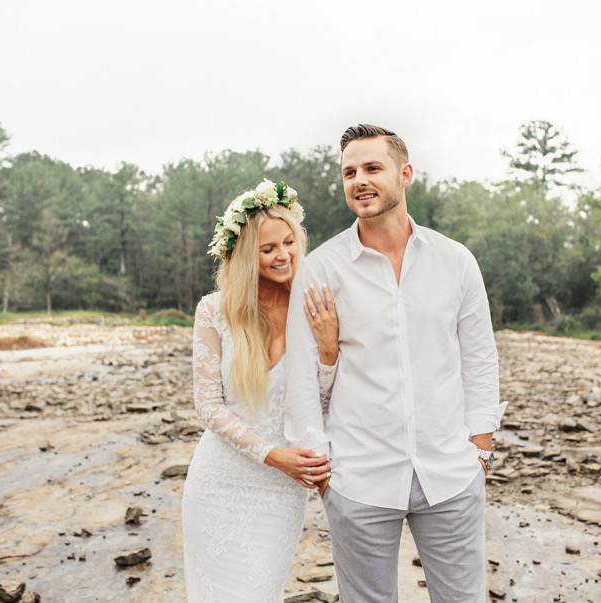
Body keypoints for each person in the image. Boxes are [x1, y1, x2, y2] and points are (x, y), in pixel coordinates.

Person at [285, 125, 506, 602]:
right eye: (349, 172)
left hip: (450, 473)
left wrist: (480, 451)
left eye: (371, 168)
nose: (359, 180)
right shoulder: (321, 270)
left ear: (405, 174)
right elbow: (302, 378)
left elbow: (479, 360)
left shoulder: (456, 261)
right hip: (357, 479)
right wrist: (325, 475)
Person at [182, 179, 340, 602]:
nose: (283, 255)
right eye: (268, 249)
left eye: (289, 242)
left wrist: (328, 349)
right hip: (219, 481)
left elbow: (324, 404)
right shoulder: (214, 310)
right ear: (244, 255)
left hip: (280, 490)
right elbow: (208, 406)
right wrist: (272, 455)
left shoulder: (316, 306)